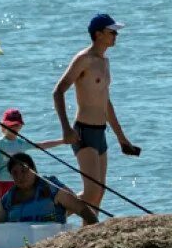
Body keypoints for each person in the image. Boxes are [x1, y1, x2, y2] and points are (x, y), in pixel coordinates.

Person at [52, 13, 141, 220]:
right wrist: (66, 128)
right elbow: (58, 91)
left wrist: (122, 138)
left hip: (100, 133)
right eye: (112, 32)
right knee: (92, 192)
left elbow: (106, 104)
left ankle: (87, 234)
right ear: (98, 34)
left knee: (99, 194)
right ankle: (50, 213)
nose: (116, 35)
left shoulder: (104, 62)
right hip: (83, 131)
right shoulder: (84, 59)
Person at [0, 107, 68, 210]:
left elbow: (40, 145)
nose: (14, 128)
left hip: (16, 182)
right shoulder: (0, 143)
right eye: (11, 125)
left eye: (17, 125)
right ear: (4, 126)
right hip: (1, 182)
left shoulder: (20, 143)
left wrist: (62, 141)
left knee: (12, 214)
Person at [0, 152, 97, 225]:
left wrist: (95, 229)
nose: (20, 177)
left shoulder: (51, 187)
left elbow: (81, 208)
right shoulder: (8, 199)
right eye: (15, 173)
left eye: (24, 170)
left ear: (34, 170)